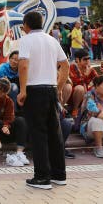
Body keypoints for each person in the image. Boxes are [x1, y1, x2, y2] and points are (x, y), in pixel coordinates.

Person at [17, 10, 69, 191]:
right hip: (51, 89)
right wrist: (60, 87)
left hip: (34, 90)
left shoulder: (25, 40)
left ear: (26, 25)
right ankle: (59, 174)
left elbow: (23, 65)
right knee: (55, 133)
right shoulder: (52, 40)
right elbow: (65, 64)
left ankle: (42, 177)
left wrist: (22, 90)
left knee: (38, 133)